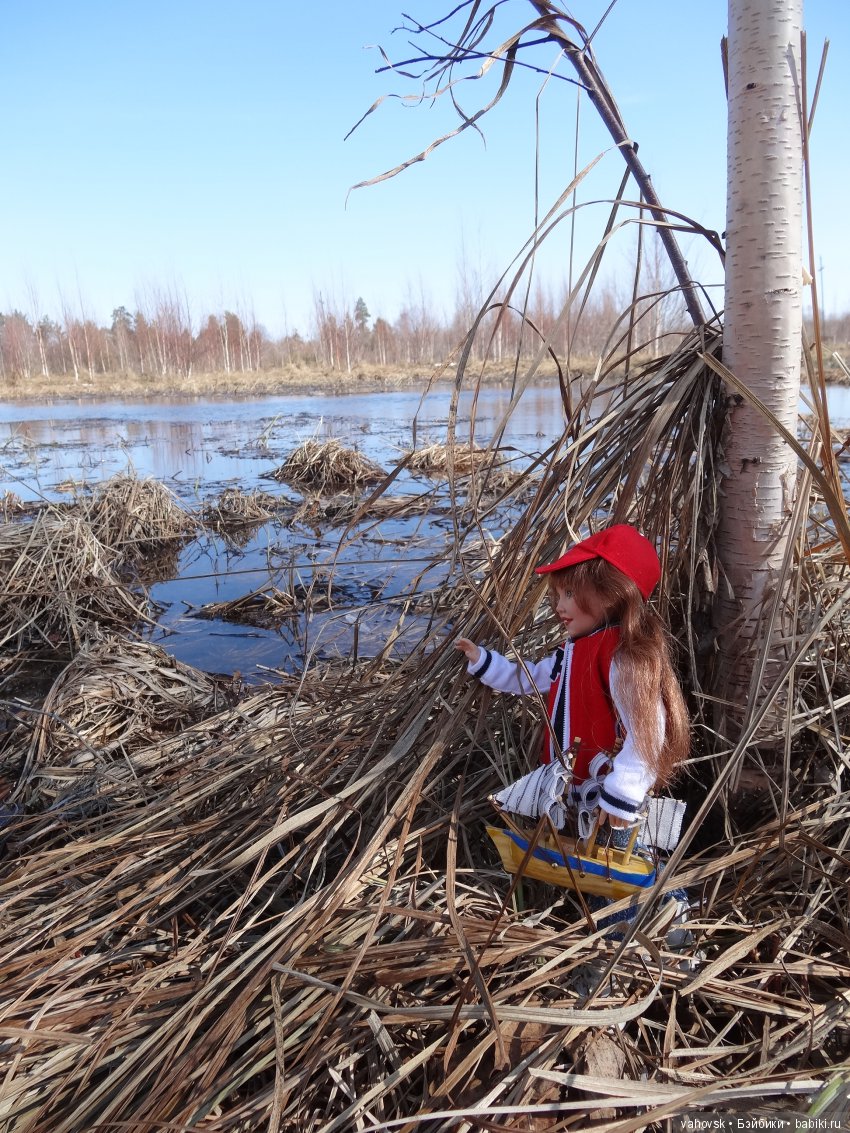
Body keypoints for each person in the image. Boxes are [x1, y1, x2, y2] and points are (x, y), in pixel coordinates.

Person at [455, 524, 689, 837]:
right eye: (557, 595)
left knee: (612, 844)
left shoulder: (622, 657)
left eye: (569, 594)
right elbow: (533, 677)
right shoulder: (573, 652)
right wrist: (485, 663)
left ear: (611, 594)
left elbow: (647, 728)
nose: (559, 606)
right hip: (572, 777)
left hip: (606, 786)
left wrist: (625, 791)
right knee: (581, 837)